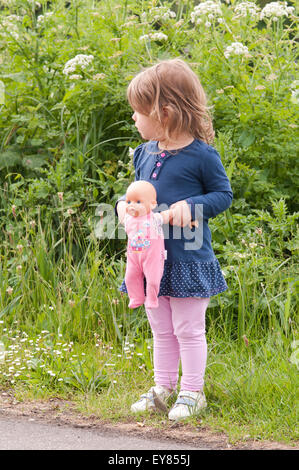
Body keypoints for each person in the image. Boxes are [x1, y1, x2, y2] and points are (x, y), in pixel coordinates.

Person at [116, 58, 233, 420]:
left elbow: (222, 195)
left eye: (139, 112)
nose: (134, 118)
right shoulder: (144, 153)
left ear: (163, 112)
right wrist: (124, 206)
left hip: (188, 257)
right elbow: (136, 195)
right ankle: (163, 388)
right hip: (150, 259)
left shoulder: (201, 155)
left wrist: (190, 206)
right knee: (161, 329)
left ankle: (192, 392)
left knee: (188, 328)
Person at [120, 180, 172, 309]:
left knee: (153, 279)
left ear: (152, 204)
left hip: (153, 256)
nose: (132, 205)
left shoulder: (155, 218)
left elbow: (169, 215)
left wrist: (186, 217)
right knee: (130, 277)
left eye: (138, 202)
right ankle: (136, 297)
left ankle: (152, 299)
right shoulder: (128, 219)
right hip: (134, 256)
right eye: (128, 202)